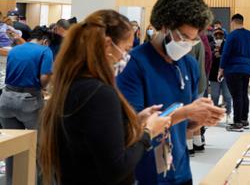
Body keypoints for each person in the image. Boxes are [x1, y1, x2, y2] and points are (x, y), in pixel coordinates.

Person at [39, 10, 172, 185]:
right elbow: (115, 168)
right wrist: (148, 132)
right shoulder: (99, 93)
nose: (126, 57)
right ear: (108, 45)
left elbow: (95, 137)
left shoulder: (73, 84)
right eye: (126, 49)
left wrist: (135, 122)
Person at [117, 0, 226, 185]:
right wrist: (185, 112)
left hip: (179, 170)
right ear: (164, 27)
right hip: (144, 173)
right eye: (183, 37)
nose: (187, 44)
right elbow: (132, 126)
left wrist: (201, 118)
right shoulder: (134, 64)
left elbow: (186, 125)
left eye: (193, 40)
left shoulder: (188, 64)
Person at [0, 26, 53, 183]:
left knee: (12, 147)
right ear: (45, 41)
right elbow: (45, 77)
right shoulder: (45, 51)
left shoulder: (15, 50)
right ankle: (36, 181)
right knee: (38, 146)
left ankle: (11, 181)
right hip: (29, 101)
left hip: (6, 99)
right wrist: (43, 86)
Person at [218, 14, 250, 132]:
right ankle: (244, 119)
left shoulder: (232, 36)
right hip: (246, 68)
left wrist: (221, 69)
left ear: (233, 22)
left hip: (233, 69)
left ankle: (237, 122)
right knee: (244, 94)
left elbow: (226, 53)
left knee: (236, 96)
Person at [207, 28, 232, 124]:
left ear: (223, 36)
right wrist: (214, 54)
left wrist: (221, 56)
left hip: (226, 74)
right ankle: (214, 115)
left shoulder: (227, 45)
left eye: (220, 35)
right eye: (216, 35)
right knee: (214, 95)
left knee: (227, 95)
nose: (218, 37)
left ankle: (228, 113)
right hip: (213, 74)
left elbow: (229, 56)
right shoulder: (211, 45)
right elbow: (208, 58)